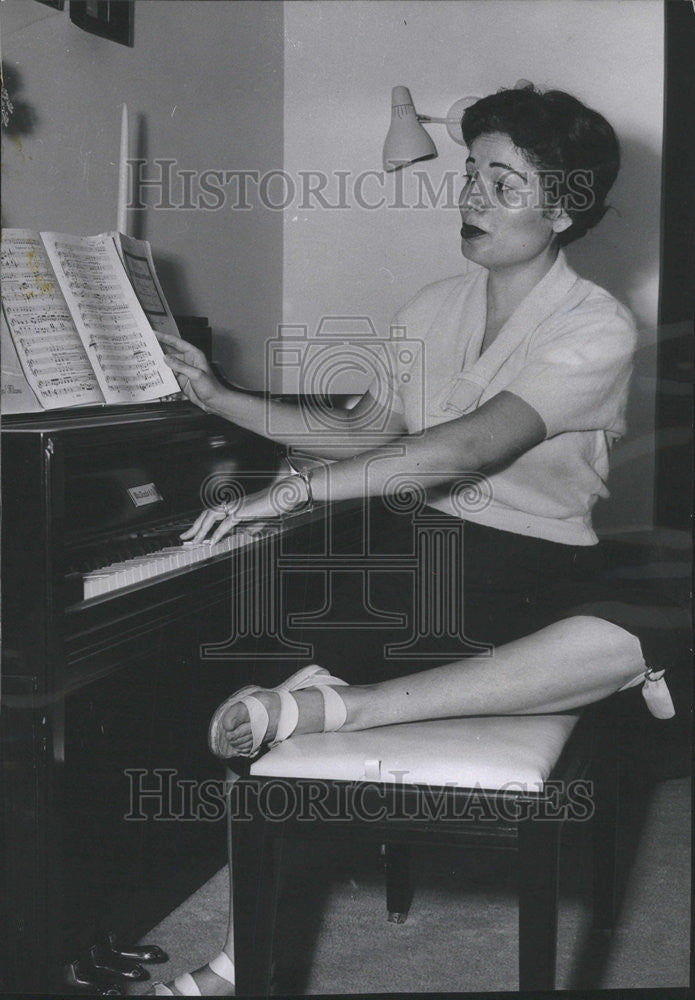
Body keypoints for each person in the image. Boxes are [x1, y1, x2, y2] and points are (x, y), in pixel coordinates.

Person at [148, 86, 674, 996]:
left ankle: (331, 702)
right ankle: (257, 891)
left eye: (502, 183)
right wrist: (224, 399)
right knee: (300, 566)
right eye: (470, 174)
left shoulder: (596, 324)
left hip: (528, 568)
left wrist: (300, 492)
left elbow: (468, 445)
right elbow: (369, 432)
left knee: (666, 595)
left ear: (562, 207)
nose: (470, 196)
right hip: (421, 553)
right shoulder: (434, 302)